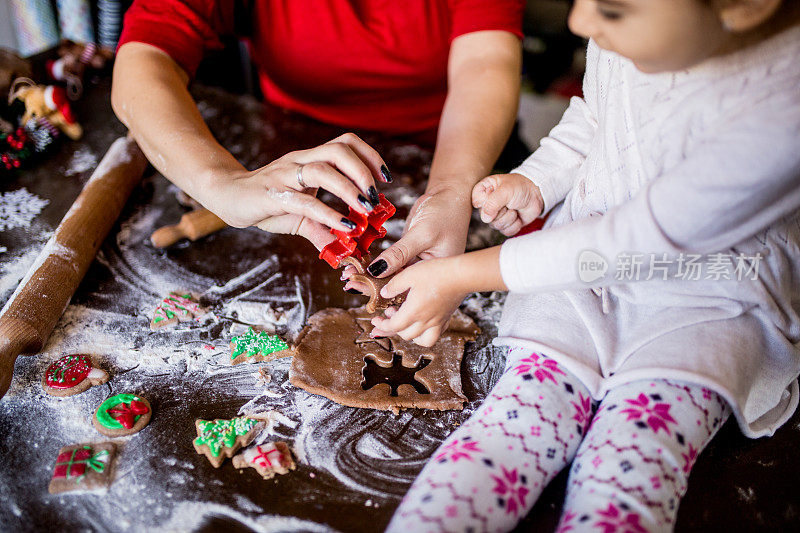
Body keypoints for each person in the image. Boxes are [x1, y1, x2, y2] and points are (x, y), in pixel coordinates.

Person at [376, 0, 800, 530]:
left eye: (611, 10)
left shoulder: (783, 108)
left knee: (632, 458)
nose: (580, 23)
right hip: (574, 277)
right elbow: (596, 117)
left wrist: (460, 274)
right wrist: (536, 181)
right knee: (515, 424)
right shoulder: (634, 36)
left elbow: (640, 239)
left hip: (710, 300)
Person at [111, 0, 524, 269]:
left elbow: (484, 63)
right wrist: (221, 184)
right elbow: (143, 62)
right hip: (298, 173)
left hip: (462, 156)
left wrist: (449, 190)